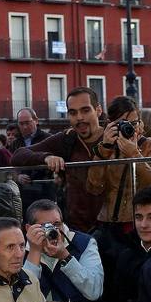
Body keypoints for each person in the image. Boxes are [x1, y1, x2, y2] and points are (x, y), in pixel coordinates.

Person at [11, 87, 106, 232]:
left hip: (112, 228)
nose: (79, 117)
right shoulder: (66, 139)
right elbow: (18, 155)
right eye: (73, 113)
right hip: (76, 229)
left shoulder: (114, 137)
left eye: (85, 110)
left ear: (98, 110)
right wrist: (46, 157)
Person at [85, 96, 151, 249]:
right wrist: (104, 150)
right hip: (107, 225)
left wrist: (135, 154)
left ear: (141, 123)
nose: (129, 128)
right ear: (110, 125)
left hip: (139, 225)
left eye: (133, 123)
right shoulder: (106, 149)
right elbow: (93, 187)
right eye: (121, 124)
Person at [22, 199, 103, 302]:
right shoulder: (20, 249)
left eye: (56, 224)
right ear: (29, 228)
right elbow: (23, 297)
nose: (52, 230)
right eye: (45, 226)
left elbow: (94, 292)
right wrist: (34, 251)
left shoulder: (83, 243)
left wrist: (65, 256)